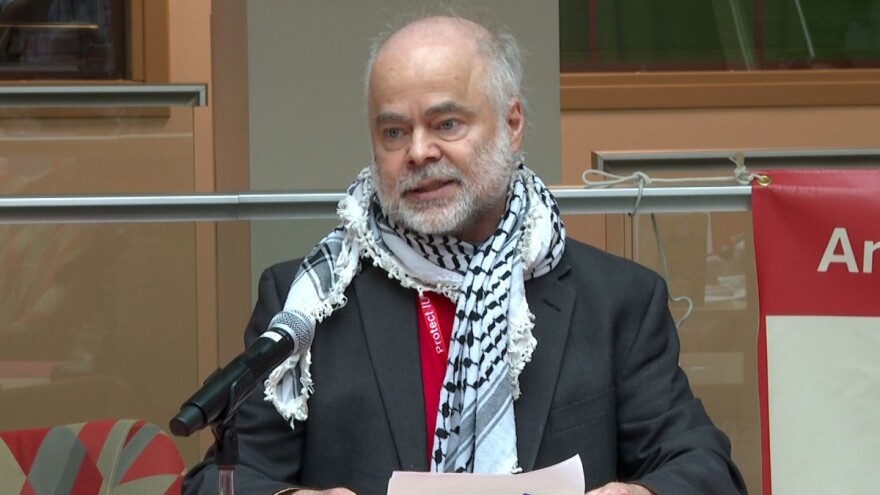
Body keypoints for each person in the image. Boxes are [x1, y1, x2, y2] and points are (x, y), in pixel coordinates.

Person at [183, 14, 746, 495]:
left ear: (512, 123)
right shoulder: (310, 303)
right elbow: (219, 479)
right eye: (394, 132)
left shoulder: (616, 301)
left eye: (446, 123)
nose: (419, 152)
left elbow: (705, 468)